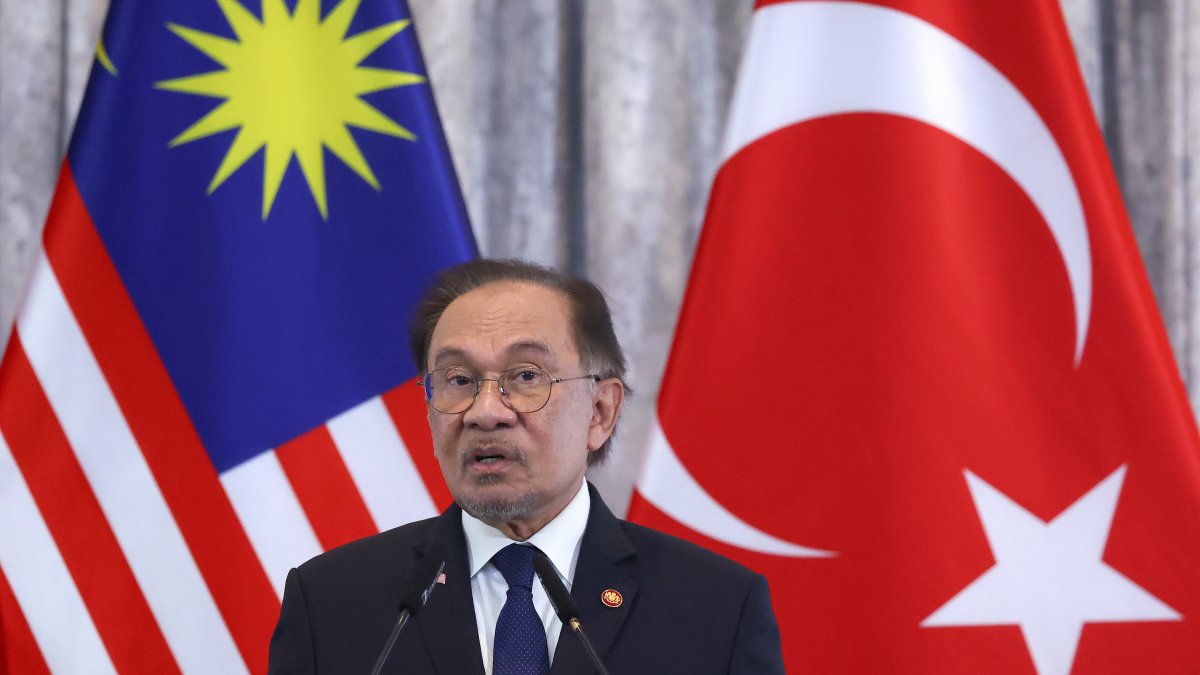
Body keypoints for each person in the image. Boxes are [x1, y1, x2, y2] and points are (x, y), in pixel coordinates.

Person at [267, 259, 785, 674]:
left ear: (600, 412)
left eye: (526, 375)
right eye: (458, 379)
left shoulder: (717, 608)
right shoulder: (332, 602)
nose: (485, 411)